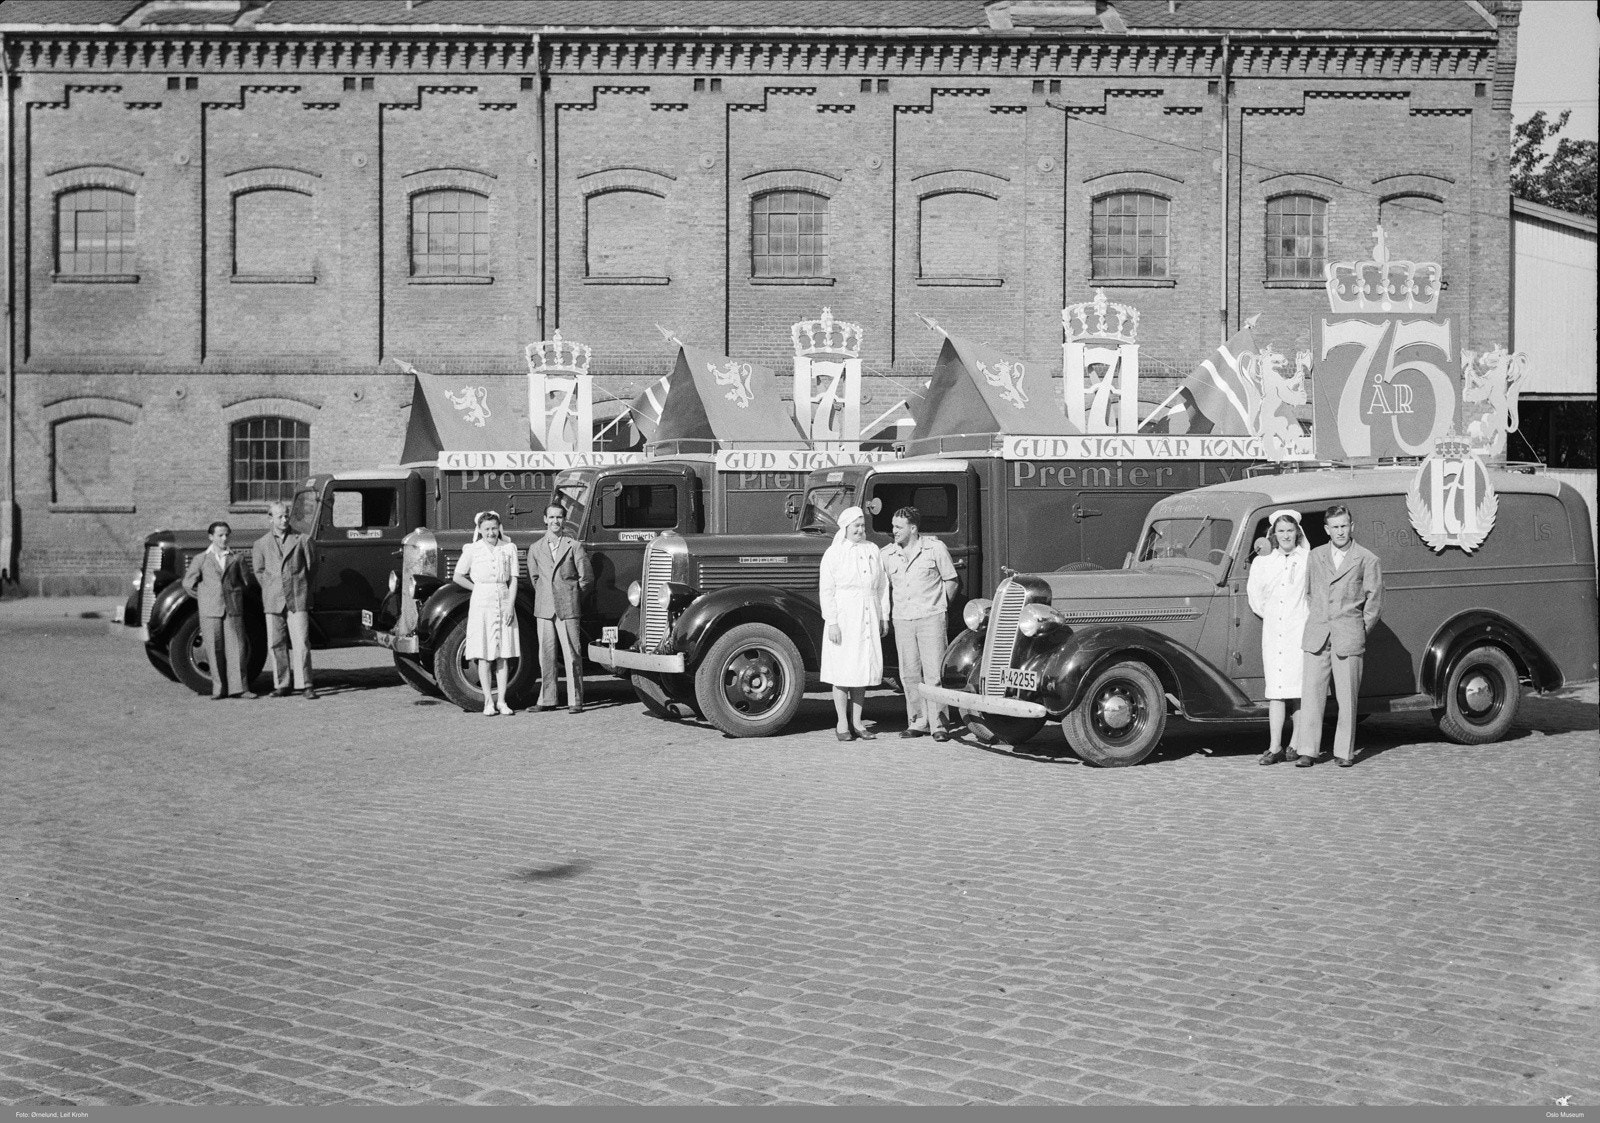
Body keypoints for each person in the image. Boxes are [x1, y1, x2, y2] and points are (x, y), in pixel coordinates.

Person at [1297, 503, 1383, 768]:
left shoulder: (1367, 559)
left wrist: (1357, 629)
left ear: (1352, 526)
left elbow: (1374, 603)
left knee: (1347, 698)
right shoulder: (1316, 556)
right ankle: (1307, 750)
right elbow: (1310, 593)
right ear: (1327, 529)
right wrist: (1321, 617)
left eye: (1344, 525)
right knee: (1311, 694)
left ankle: (1344, 752)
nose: (1340, 531)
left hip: (1349, 636)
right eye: (1335, 527)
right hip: (1318, 634)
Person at [880, 506, 959, 742]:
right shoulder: (887, 554)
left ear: (913, 528)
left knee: (934, 674)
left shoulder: (935, 548)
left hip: (931, 618)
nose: (894, 531)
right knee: (909, 674)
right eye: (893, 526)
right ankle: (918, 722)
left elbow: (951, 580)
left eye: (898, 527)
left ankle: (939, 725)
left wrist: (940, 606)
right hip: (903, 620)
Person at [819, 505, 889, 741]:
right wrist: (832, 622)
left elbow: (882, 586)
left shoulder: (872, 549)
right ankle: (842, 722)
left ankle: (858, 722)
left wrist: (884, 616)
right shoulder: (834, 553)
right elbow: (827, 590)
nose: (860, 530)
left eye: (862, 525)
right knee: (842, 671)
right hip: (844, 618)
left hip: (868, 616)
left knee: (861, 670)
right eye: (855, 526)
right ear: (845, 528)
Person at [1248, 509, 1310, 765]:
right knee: (1276, 690)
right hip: (1274, 632)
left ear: (1297, 532)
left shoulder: (1307, 559)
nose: (1286, 535)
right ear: (1273, 534)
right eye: (1281, 531)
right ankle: (1275, 746)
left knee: (1298, 690)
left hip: (1299, 631)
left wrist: (1300, 618)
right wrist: (1274, 616)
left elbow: (1312, 594)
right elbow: (1256, 597)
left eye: (1290, 530)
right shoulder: (1263, 562)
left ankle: (1295, 743)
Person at [453, 510, 521, 716]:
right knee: (484, 655)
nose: (491, 533)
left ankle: (502, 701)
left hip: (504, 599)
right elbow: (458, 576)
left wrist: (510, 605)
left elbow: (514, 579)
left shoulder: (508, 548)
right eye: (487, 529)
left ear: (499, 528)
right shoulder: (472, 549)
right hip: (482, 604)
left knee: (502, 655)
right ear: (480, 530)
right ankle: (488, 702)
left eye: (494, 528)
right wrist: (478, 589)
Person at [528, 501, 593, 714]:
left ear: (564, 520)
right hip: (544, 608)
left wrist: (572, 596)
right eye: (552, 517)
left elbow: (586, 578)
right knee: (546, 655)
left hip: (568, 607)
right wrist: (546, 595)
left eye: (559, 517)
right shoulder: (535, 548)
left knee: (572, 654)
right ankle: (547, 699)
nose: (555, 521)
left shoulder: (573, 546)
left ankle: (576, 700)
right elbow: (535, 578)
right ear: (545, 519)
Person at [182, 520, 256, 701]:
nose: (224, 539)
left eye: (226, 535)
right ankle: (219, 689)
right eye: (220, 535)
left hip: (233, 609)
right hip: (210, 610)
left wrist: (234, 594)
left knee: (237, 648)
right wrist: (205, 597)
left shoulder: (236, 558)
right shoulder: (201, 559)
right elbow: (188, 583)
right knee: (214, 649)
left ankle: (240, 688)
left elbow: (247, 582)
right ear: (211, 537)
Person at [252, 500, 317, 699]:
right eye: (279, 516)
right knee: (276, 643)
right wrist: (272, 587)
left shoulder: (302, 539)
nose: (284, 519)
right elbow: (259, 571)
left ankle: (305, 684)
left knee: (301, 642)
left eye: (286, 515)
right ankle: (282, 684)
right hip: (273, 599)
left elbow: (312, 568)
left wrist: (300, 586)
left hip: (297, 597)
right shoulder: (261, 544)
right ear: (270, 518)